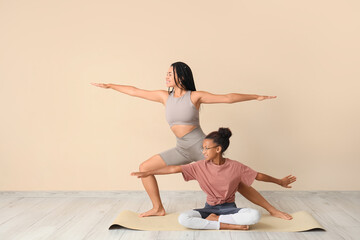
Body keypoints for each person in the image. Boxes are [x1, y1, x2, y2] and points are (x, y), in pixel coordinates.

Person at [91, 61, 294, 218]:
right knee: (145, 168)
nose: (166, 76)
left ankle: (272, 209)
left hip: (200, 147)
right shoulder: (164, 96)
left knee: (237, 182)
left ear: (181, 75)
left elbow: (228, 98)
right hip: (181, 149)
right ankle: (158, 208)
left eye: (170, 73)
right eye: (166, 73)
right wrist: (110, 86)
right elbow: (135, 91)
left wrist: (255, 97)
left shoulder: (195, 96)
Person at [131, 128, 295, 230]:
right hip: (209, 210)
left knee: (254, 216)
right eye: (202, 148)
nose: (203, 152)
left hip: (230, 209)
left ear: (218, 149)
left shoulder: (236, 167)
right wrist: (149, 172)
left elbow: (258, 176)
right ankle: (226, 225)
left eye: (206, 148)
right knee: (183, 219)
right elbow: (174, 168)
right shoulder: (199, 166)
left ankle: (216, 222)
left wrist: (280, 182)